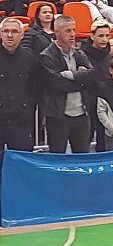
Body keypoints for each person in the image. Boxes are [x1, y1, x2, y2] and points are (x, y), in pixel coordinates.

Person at [39, 15, 95, 154]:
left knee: (82, 156)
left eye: (74, 30)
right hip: (58, 116)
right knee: (58, 156)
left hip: (81, 114)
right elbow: (58, 85)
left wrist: (71, 75)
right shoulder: (46, 56)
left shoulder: (79, 53)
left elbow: (92, 76)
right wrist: (81, 81)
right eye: (68, 30)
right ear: (57, 32)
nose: (72, 34)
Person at [0, 18, 42, 152]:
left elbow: (36, 88)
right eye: (6, 31)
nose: (10, 35)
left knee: (22, 159)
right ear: (0, 34)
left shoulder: (31, 58)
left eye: (14, 31)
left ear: (22, 35)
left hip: (21, 121)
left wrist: (28, 107)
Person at [80, 20, 113, 151]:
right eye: (101, 35)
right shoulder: (82, 54)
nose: (104, 39)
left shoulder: (109, 55)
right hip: (88, 101)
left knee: (104, 138)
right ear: (92, 36)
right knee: (84, 139)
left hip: (105, 101)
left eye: (107, 36)